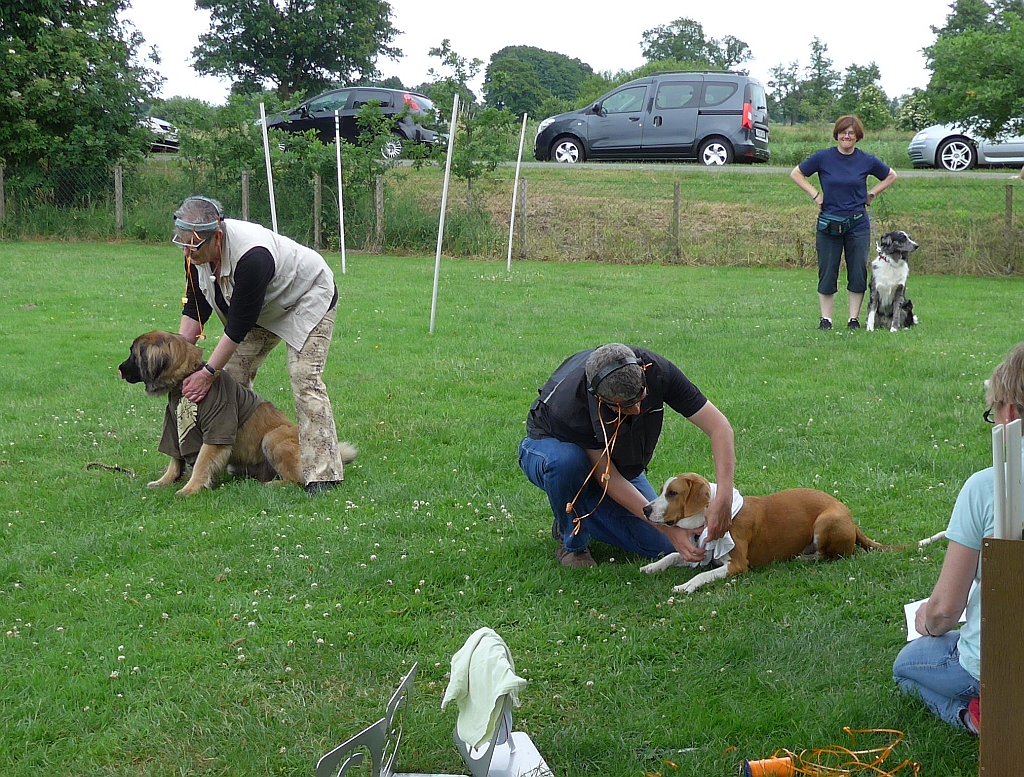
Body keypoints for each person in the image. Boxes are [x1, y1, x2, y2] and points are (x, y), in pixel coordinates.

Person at [171, 195, 347, 496]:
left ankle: (323, 472)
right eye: (183, 244)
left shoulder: (252, 256)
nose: (188, 251)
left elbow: (237, 328)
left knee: (304, 378)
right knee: (232, 379)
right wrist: (178, 362)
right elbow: (195, 312)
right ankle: (239, 459)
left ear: (218, 235)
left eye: (194, 245)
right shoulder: (196, 254)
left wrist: (207, 372)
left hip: (306, 298)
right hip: (263, 307)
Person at [892, 344, 1024, 733]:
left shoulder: (987, 489)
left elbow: (946, 609)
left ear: (1010, 413)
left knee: (906, 668)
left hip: (996, 667)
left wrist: (929, 623)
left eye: (993, 412)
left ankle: (975, 719)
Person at [518, 343, 736, 568]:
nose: (638, 409)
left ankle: (580, 509)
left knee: (663, 546)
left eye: (640, 396)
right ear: (600, 398)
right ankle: (571, 535)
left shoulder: (657, 370)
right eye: (625, 406)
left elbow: (719, 427)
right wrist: (666, 529)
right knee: (567, 462)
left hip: (614, 463)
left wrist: (724, 497)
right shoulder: (574, 404)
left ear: (643, 372)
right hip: (549, 449)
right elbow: (607, 476)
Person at [790, 115, 898, 332]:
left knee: (857, 271)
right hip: (828, 224)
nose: (846, 136)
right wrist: (815, 195)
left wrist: (872, 194)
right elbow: (797, 173)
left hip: (857, 224)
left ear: (857, 136)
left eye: (851, 133)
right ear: (837, 134)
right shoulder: (823, 158)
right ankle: (826, 320)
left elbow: (891, 175)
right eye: (842, 132)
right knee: (827, 271)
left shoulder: (866, 160)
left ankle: (853, 320)